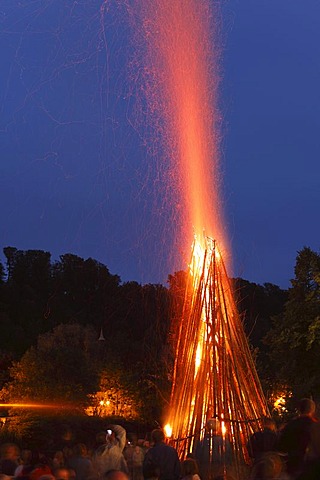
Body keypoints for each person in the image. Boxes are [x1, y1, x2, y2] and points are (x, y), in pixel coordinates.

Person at [278, 398, 320, 478]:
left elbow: (281, 446)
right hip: (313, 469)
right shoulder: (316, 427)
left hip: (294, 467)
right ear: (313, 410)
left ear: (299, 410)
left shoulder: (290, 426)